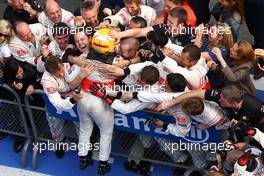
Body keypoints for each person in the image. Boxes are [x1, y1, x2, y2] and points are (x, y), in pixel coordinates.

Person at [41, 56, 94, 158]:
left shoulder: (67, 66)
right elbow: (58, 104)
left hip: (75, 101)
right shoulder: (47, 81)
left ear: (62, 63)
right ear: (50, 73)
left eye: (61, 69)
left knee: (81, 125)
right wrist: (73, 98)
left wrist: (75, 92)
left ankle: (84, 147)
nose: (61, 74)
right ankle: (59, 144)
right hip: (58, 105)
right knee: (55, 126)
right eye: (57, 73)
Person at [156, 85, 264, 132]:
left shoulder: (255, 107)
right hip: (230, 120)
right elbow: (196, 93)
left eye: (222, 101)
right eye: (220, 98)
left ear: (233, 103)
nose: (219, 101)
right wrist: (171, 102)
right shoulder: (222, 94)